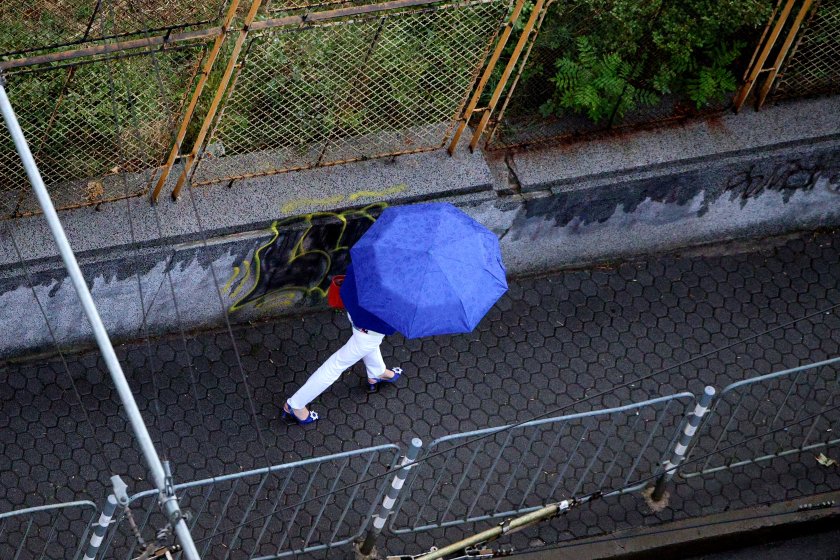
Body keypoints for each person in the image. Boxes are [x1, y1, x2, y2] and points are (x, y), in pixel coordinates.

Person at [283, 268, 402, 425]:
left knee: (364, 343)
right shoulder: (410, 286)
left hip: (354, 304)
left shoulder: (387, 253)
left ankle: (377, 372)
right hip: (371, 328)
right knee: (336, 365)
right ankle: (295, 405)